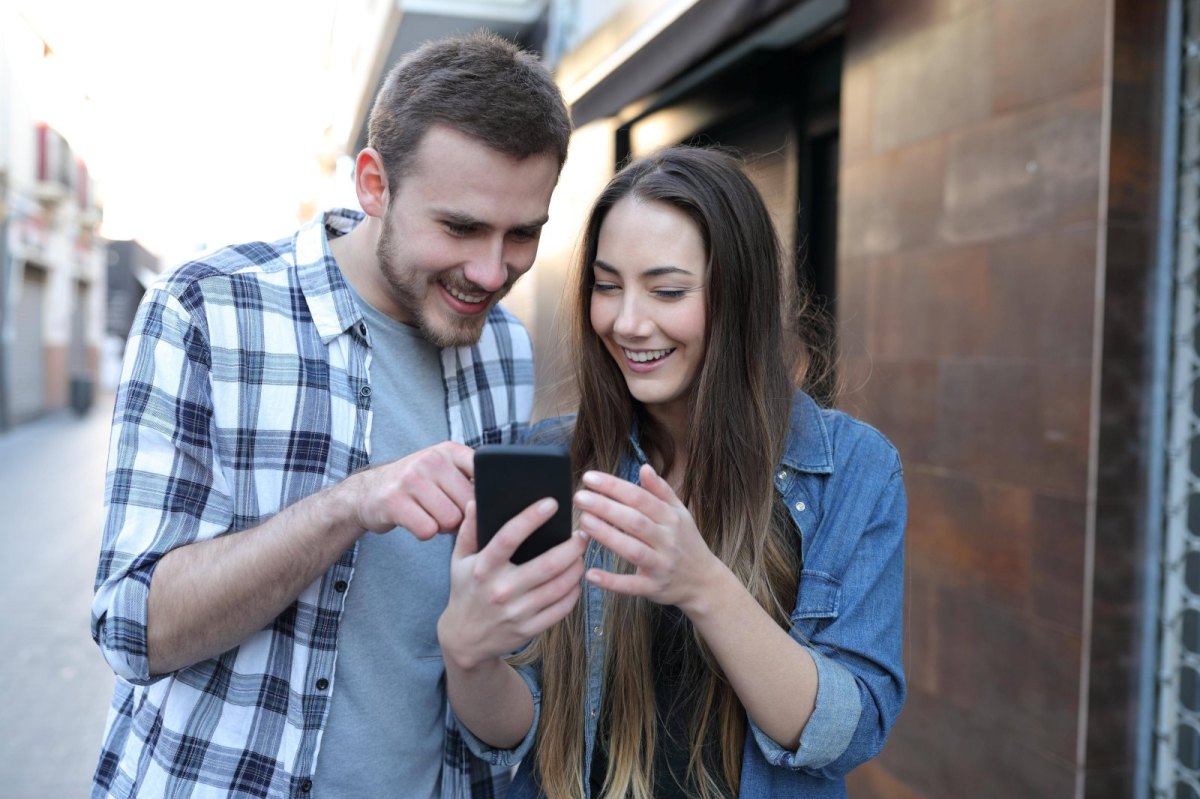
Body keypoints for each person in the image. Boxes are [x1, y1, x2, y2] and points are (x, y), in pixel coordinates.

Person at [90, 32, 576, 798]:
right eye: (459, 227)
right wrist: (352, 503)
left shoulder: (505, 348)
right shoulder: (205, 308)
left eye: (523, 234)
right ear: (374, 185)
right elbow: (133, 626)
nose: (491, 271)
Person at [437, 146, 907, 798]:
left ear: (739, 297)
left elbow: (846, 732)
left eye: (667, 290)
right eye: (607, 285)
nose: (628, 321)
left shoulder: (854, 469)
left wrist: (702, 584)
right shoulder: (556, 457)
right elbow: (517, 728)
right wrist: (470, 655)